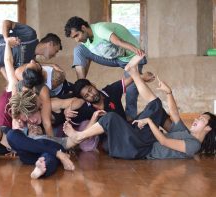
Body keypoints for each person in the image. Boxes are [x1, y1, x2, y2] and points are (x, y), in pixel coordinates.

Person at [63, 55, 216, 159]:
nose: (196, 118)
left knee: (111, 117)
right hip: (137, 139)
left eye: (202, 119)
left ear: (208, 128)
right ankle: (133, 72)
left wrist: (149, 121)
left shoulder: (194, 145)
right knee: (157, 106)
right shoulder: (185, 132)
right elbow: (175, 114)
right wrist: (169, 93)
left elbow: (163, 141)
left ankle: (79, 136)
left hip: (141, 148)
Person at [64, 16, 147, 120]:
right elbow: (88, 57)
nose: (77, 39)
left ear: (83, 28)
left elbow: (118, 41)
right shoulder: (85, 40)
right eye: (74, 38)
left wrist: (137, 51)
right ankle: (80, 87)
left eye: (77, 35)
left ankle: (130, 116)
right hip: (114, 58)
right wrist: (83, 83)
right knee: (79, 50)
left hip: (130, 58)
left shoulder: (100, 29)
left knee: (131, 88)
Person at [6, 89, 75, 179]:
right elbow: (16, 138)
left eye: (32, 114)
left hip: (47, 150)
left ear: (38, 107)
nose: (32, 121)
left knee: (49, 156)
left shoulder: (50, 106)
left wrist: (68, 111)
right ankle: (56, 154)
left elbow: (78, 101)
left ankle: (41, 170)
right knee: (11, 135)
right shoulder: (21, 119)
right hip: (29, 150)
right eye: (27, 119)